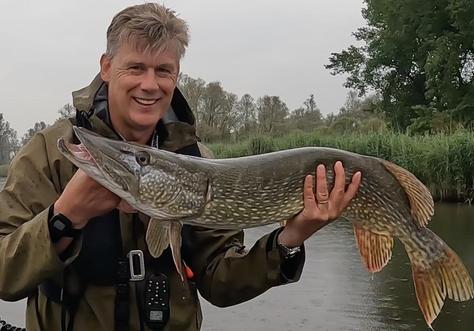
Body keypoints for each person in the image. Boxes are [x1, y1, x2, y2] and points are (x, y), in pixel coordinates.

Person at [0, 3, 361, 331]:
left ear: (177, 75)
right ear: (107, 68)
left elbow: (221, 280)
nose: (149, 84)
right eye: (136, 68)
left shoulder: (197, 160)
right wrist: (64, 216)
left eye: (163, 70)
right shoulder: (50, 153)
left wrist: (293, 237)